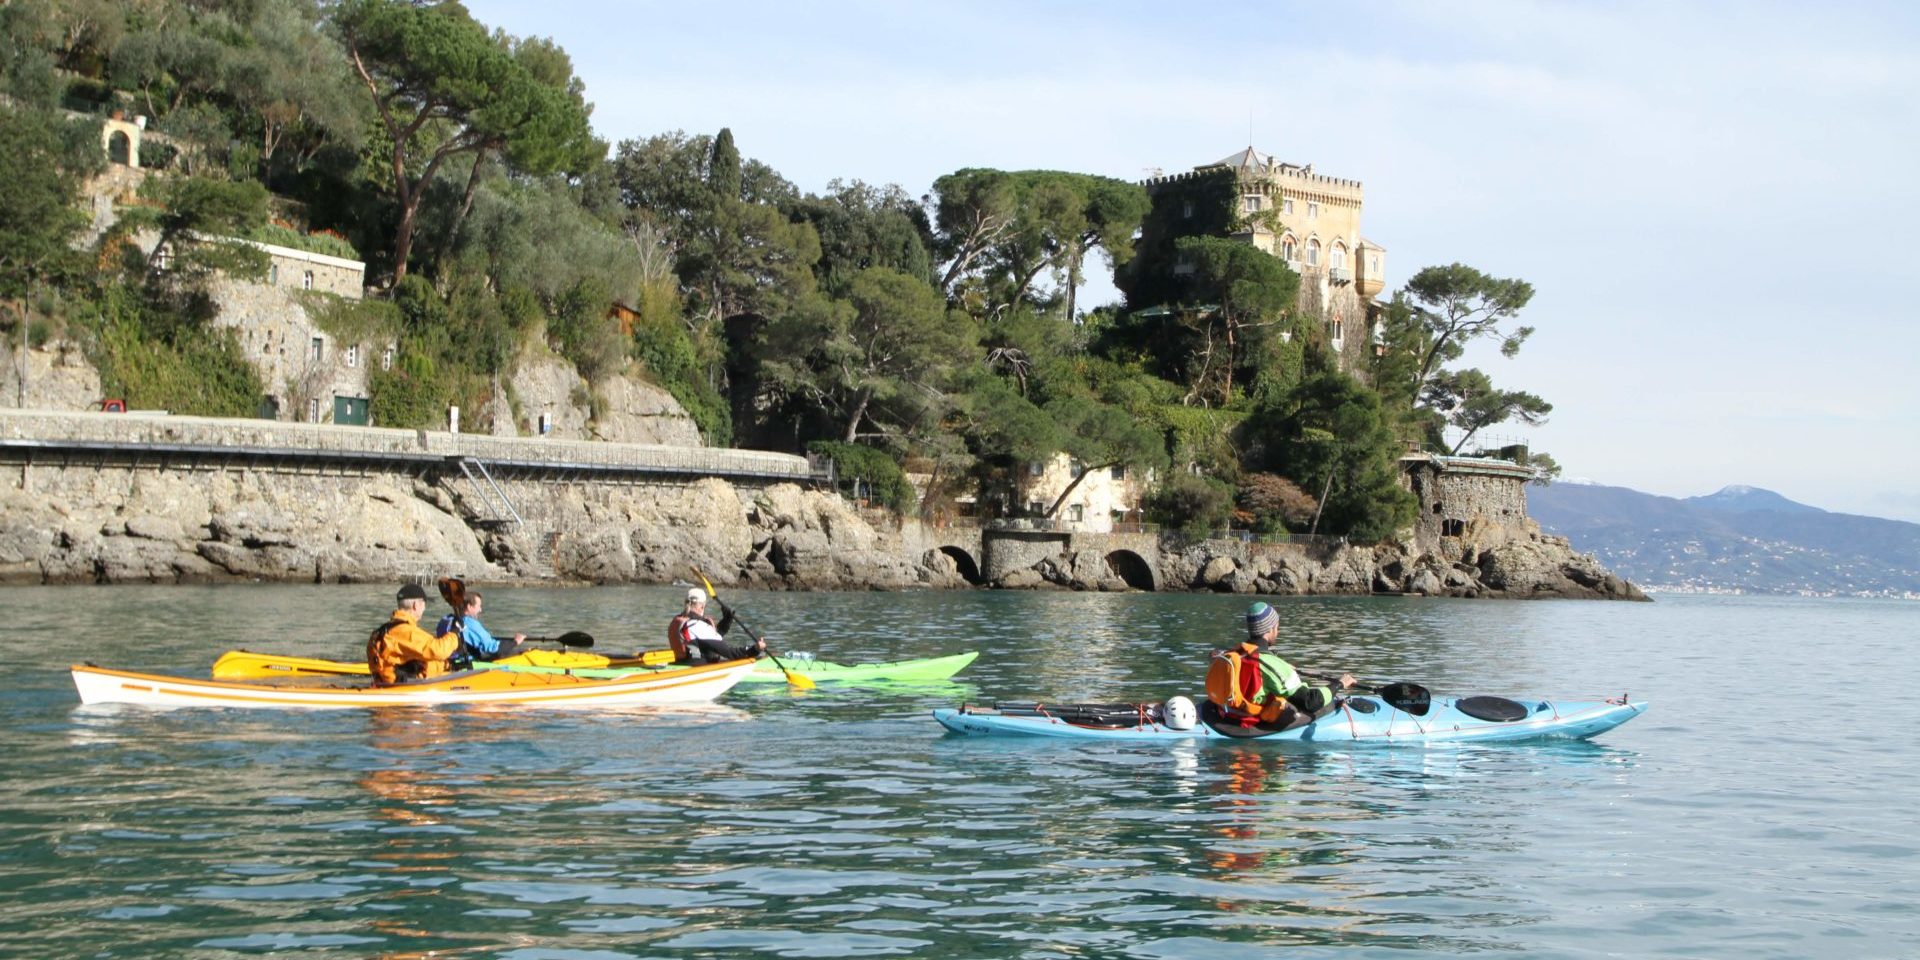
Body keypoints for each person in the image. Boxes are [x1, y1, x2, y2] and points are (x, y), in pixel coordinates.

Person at [1205, 601, 1355, 728]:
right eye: (1277, 627)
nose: (1278, 631)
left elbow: (1256, 665)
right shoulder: (1272, 665)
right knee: (1321, 705)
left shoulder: (1234, 654)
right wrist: (1339, 684)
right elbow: (1310, 701)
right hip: (1252, 723)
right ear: (1270, 629)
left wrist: (1283, 667)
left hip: (1230, 716)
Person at [367, 583, 464, 686]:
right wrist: (454, 633)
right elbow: (438, 650)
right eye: (424, 604)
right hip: (403, 687)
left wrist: (448, 664)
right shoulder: (405, 631)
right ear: (415, 606)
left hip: (387, 682)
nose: (424, 608)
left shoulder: (388, 628)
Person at [667, 587, 766, 664]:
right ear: (702, 605)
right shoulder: (698, 625)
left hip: (682, 664)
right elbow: (730, 653)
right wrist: (755, 649)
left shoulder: (678, 621)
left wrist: (727, 619)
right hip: (698, 669)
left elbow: (711, 639)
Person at [435, 590, 529, 664]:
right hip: (465, 665)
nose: (480, 610)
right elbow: (493, 649)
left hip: (449, 661)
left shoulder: (446, 619)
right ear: (469, 607)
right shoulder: (470, 623)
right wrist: (515, 642)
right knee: (514, 653)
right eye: (479, 606)